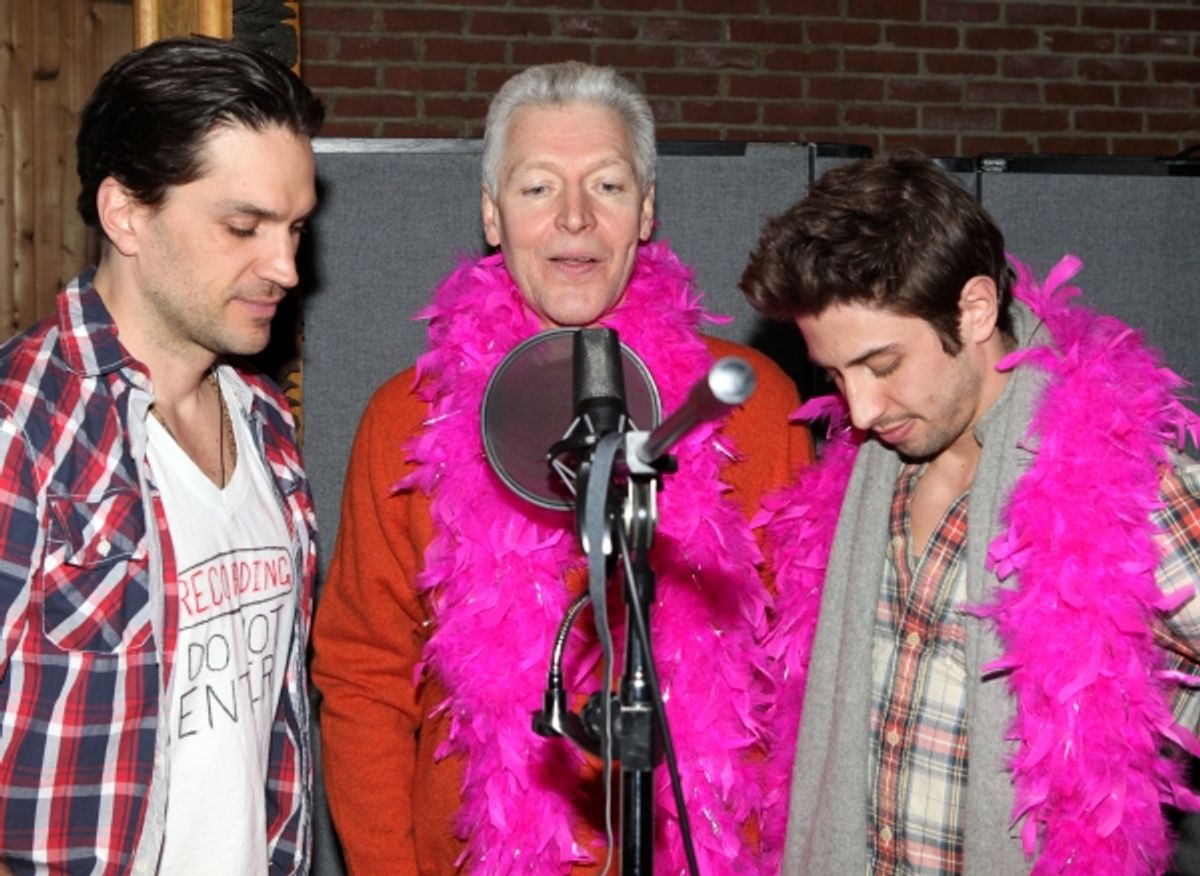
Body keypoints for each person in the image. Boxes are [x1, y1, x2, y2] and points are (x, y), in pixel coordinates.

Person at [312, 61, 813, 874]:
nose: (575, 219)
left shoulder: (746, 410)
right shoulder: (407, 419)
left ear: (646, 212)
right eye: (539, 188)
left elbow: (803, 680)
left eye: (609, 187)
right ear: (492, 213)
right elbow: (364, 677)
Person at [740, 153, 1200, 875]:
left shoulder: (1120, 472)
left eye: (883, 365)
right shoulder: (861, 475)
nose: (859, 409)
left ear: (975, 309)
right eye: (835, 376)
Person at [0, 36, 323, 874]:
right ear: (126, 214)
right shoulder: (21, 427)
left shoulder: (265, 424)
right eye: (242, 226)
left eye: (294, 228)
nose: (285, 266)